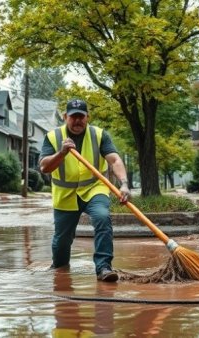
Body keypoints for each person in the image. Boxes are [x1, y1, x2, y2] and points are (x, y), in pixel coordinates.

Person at [39, 98, 131, 282]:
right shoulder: (53, 137)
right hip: (65, 195)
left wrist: (124, 183)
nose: (77, 121)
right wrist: (62, 152)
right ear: (65, 117)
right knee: (62, 240)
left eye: (81, 116)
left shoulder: (99, 135)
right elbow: (44, 167)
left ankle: (104, 267)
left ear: (87, 117)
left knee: (102, 217)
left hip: (94, 188)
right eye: (73, 117)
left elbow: (114, 160)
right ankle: (60, 269)